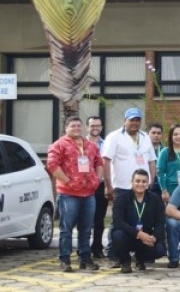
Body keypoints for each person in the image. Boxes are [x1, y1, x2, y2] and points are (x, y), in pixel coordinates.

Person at [102, 107, 158, 267]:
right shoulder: (114, 137)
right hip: (122, 187)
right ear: (125, 120)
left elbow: (151, 161)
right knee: (117, 222)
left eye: (138, 120)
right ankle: (114, 255)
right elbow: (106, 161)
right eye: (132, 120)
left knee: (142, 220)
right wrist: (108, 186)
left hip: (143, 187)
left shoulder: (145, 137)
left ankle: (139, 256)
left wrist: (151, 182)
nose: (135, 123)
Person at [47, 116, 104, 272]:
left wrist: (97, 180)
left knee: (86, 229)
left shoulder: (91, 145)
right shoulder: (59, 145)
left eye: (79, 125)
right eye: (73, 126)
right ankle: (65, 260)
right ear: (66, 128)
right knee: (66, 229)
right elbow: (52, 165)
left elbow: (99, 163)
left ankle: (85, 258)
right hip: (68, 194)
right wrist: (67, 181)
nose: (77, 128)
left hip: (89, 194)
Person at [110, 169, 166, 273]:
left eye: (144, 182)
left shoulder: (155, 199)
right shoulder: (121, 198)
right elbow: (118, 222)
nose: (140, 184)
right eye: (137, 181)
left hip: (146, 237)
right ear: (132, 182)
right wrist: (138, 233)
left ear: (148, 184)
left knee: (160, 249)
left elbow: (160, 222)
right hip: (128, 235)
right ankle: (125, 262)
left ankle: (140, 259)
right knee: (117, 235)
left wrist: (154, 237)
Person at [85, 116, 107, 259]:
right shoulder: (81, 144)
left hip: (100, 185)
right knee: (85, 219)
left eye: (98, 125)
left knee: (99, 219)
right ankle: (84, 248)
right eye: (92, 125)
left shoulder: (106, 144)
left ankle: (97, 247)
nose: (95, 128)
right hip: (84, 186)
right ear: (87, 127)